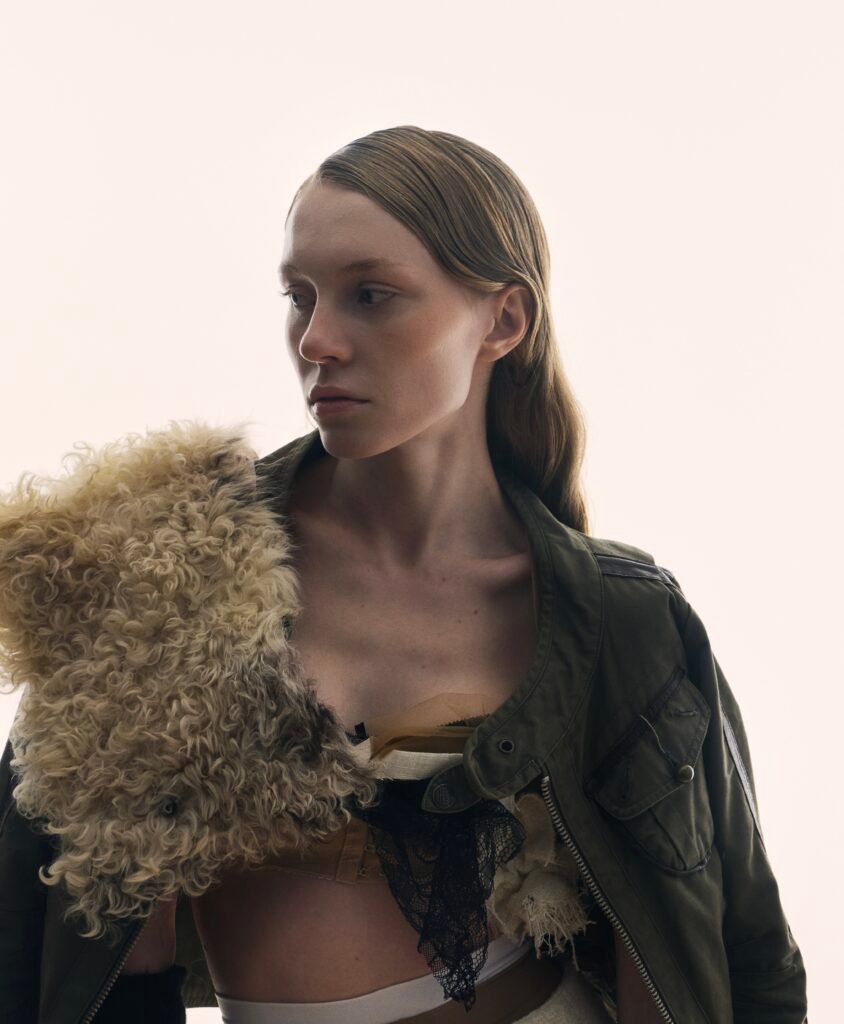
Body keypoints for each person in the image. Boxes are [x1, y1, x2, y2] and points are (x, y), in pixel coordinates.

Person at [0, 125, 806, 1023]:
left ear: (503, 321)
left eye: (371, 295)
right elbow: (58, 937)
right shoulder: (164, 568)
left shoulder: (620, 618)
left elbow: (744, 959)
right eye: (299, 297)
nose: (317, 340)